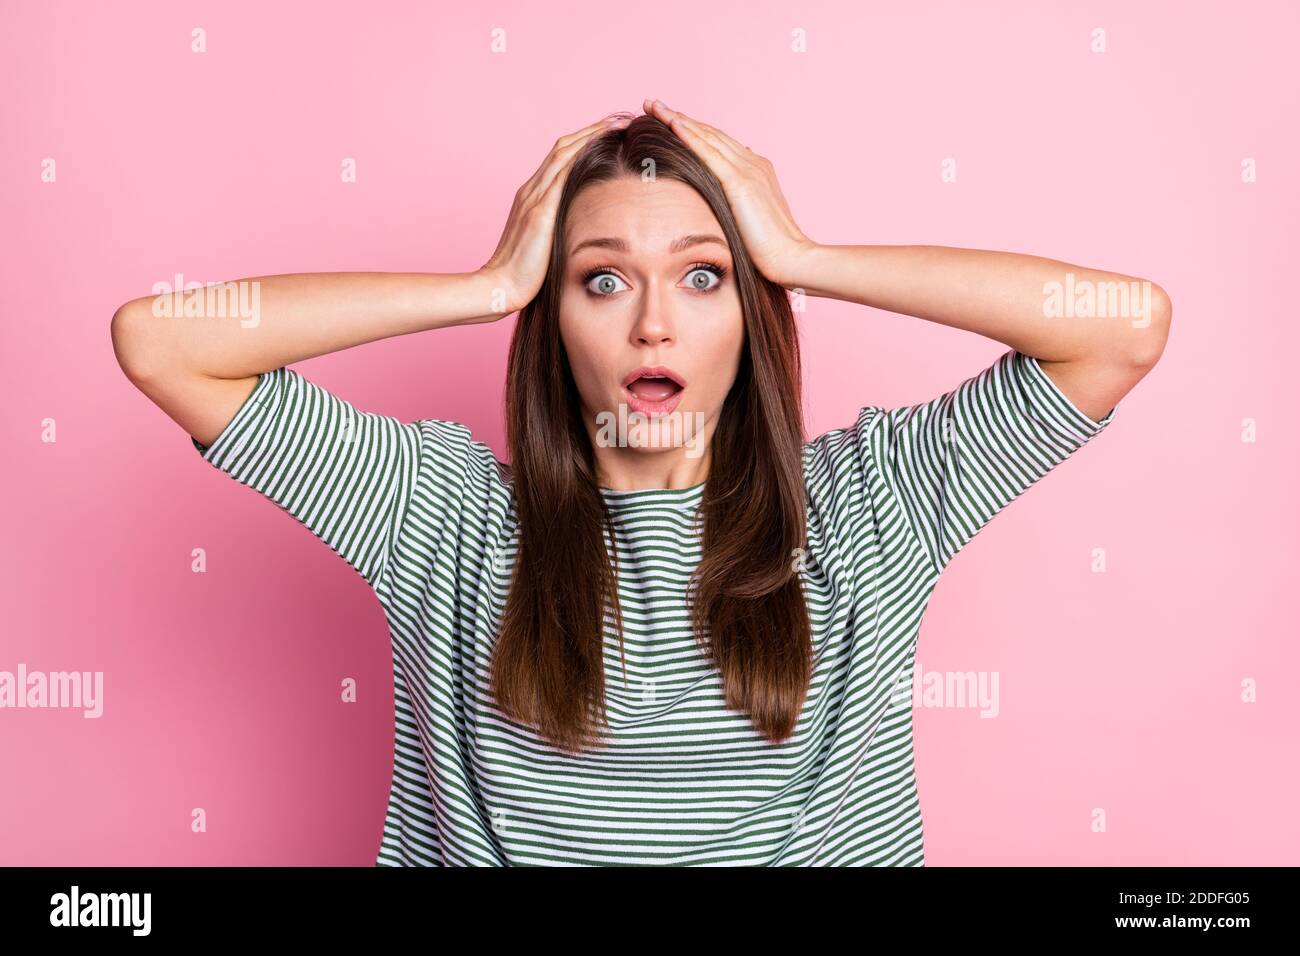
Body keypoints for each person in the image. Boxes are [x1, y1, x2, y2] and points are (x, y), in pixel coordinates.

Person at [110, 99, 1172, 866]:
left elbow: (1122, 327)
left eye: (705, 276)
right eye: (602, 277)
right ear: (552, 318)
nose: (653, 321)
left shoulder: (869, 504)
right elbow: (163, 340)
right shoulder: (439, 514)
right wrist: (483, 285)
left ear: (752, 313)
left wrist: (804, 256)